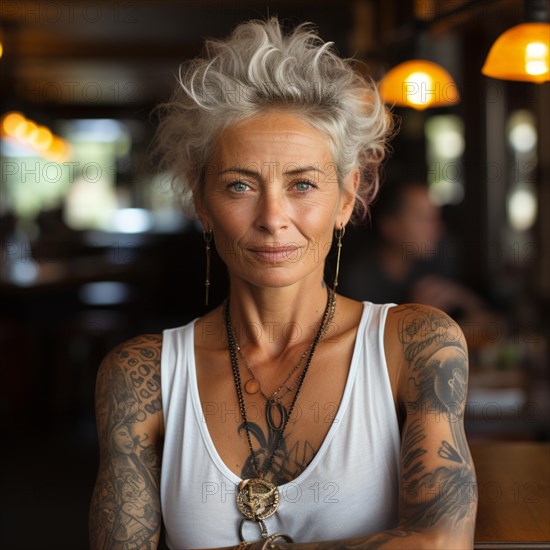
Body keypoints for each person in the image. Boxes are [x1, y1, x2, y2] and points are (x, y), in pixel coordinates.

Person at [89, 18, 477, 550]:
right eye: (240, 185)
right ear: (201, 202)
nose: (274, 217)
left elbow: (439, 543)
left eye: (302, 184)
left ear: (346, 198)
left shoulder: (417, 345)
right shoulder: (139, 377)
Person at [340, 180, 498, 349]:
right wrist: (413, 316)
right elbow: (363, 353)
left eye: (436, 218)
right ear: (390, 226)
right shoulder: (359, 282)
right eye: (424, 219)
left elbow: (489, 325)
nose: (437, 228)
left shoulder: (433, 264)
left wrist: (457, 295)